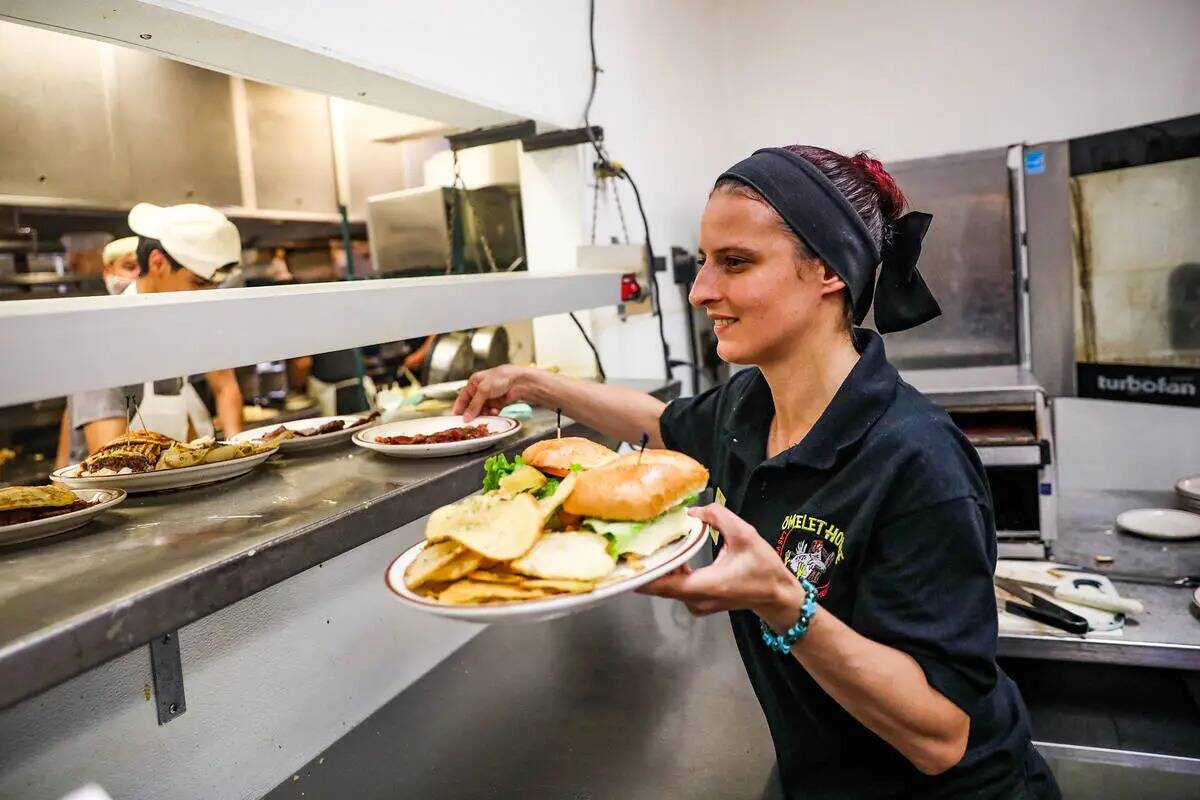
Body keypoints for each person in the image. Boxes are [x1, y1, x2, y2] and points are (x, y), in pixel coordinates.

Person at [454, 146, 1060, 799]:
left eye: (735, 263)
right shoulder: (751, 405)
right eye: (704, 262)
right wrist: (538, 384)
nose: (699, 291)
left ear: (827, 270)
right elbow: (661, 424)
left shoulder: (917, 459)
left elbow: (941, 738)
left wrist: (781, 602)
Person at [66, 203, 245, 464]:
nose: (208, 296)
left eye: (215, 286)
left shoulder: (190, 318)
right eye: (198, 283)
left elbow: (225, 384)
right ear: (158, 262)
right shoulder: (104, 336)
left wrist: (239, 453)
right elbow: (109, 462)